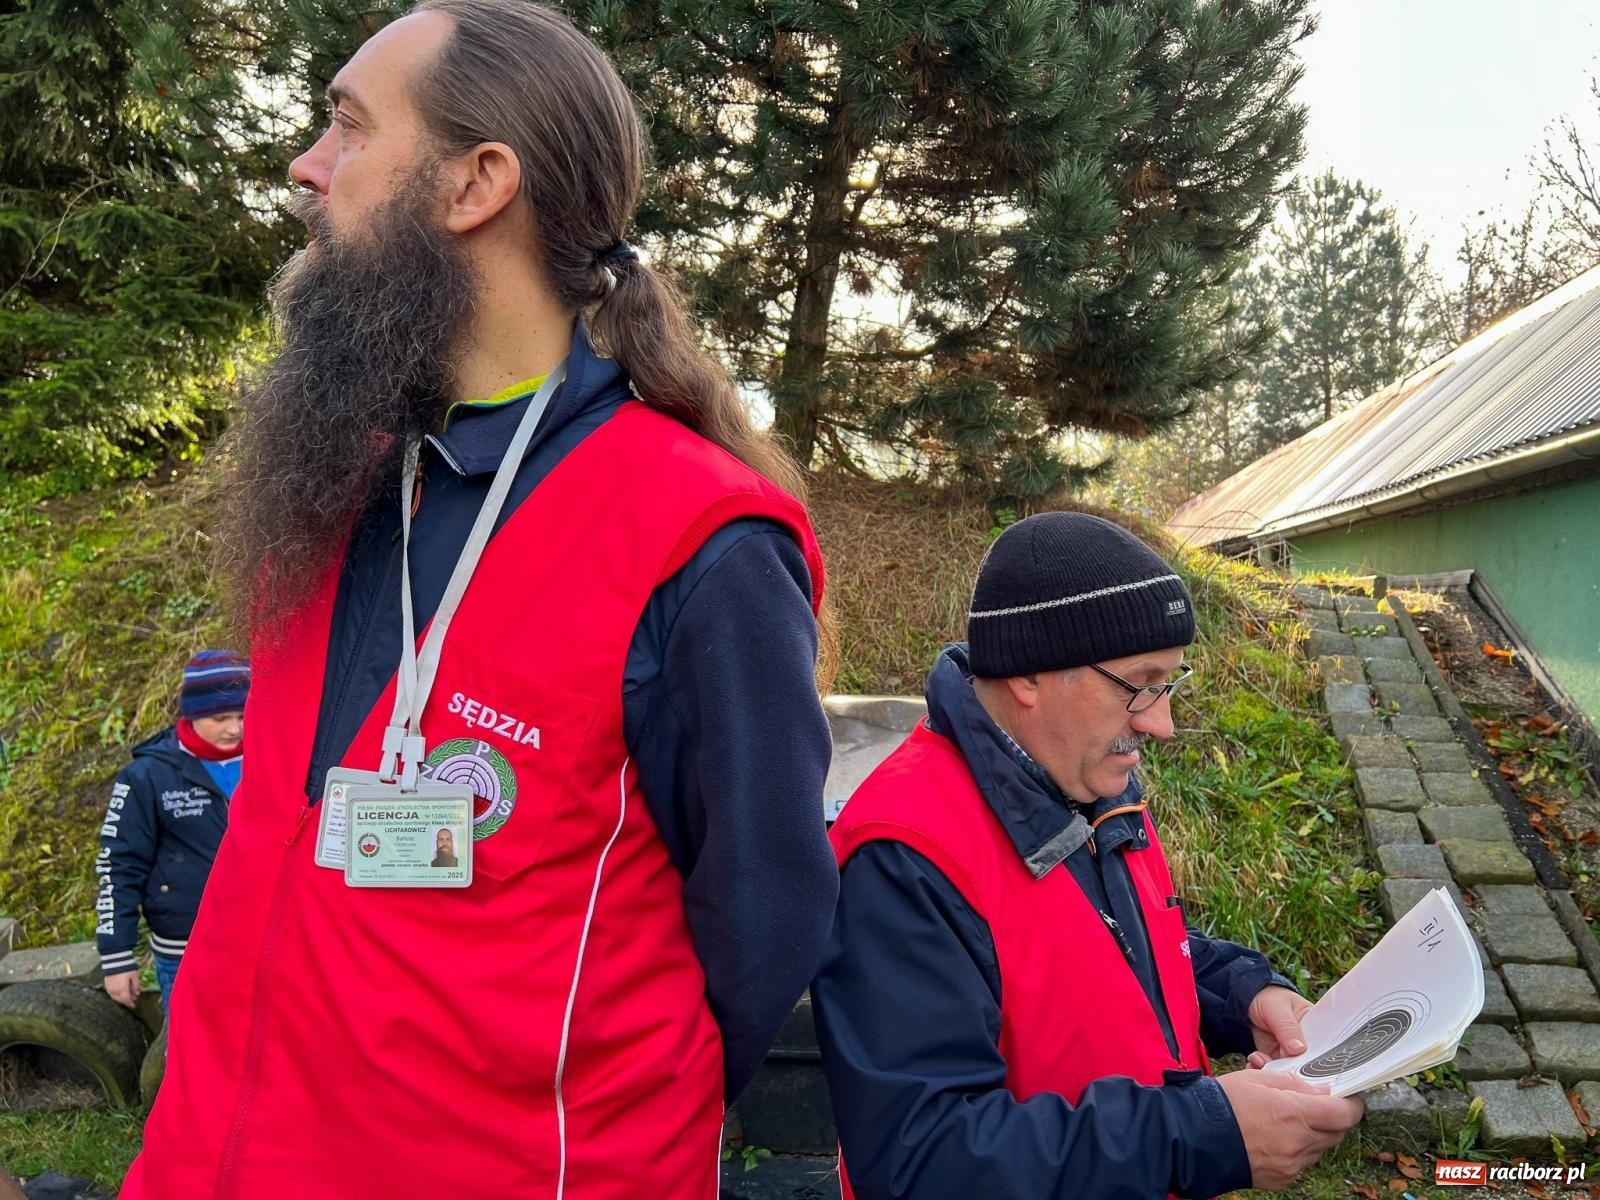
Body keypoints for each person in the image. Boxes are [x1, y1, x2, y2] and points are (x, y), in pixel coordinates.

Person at [120, 2, 836, 1196]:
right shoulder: (336, 481)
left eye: (349, 126)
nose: (305, 166)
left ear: (475, 185)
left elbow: (763, 930)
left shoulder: (695, 538)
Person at [812, 513, 1364, 1200]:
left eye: (1170, 683)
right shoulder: (904, 855)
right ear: (1030, 676)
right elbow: (921, 1160)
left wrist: (1244, 995)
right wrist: (1194, 1137)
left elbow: (1115, 952)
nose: (1161, 723)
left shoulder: (1088, 782)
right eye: (1140, 684)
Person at [95, 650, 249, 1011]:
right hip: (185, 950)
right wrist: (117, 955)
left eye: (243, 715)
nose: (234, 728)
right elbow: (118, 863)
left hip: (265, 940)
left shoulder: (273, 760)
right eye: (220, 717)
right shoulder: (146, 776)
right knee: (189, 1043)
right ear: (191, 713)